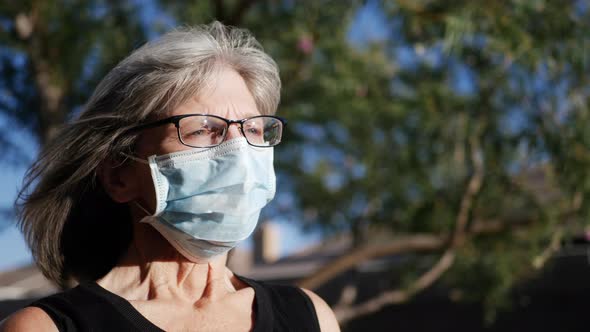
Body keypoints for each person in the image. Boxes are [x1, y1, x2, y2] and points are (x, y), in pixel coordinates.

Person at [0, 22, 340, 332]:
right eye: (204, 129)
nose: (240, 152)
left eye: (252, 129)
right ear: (119, 175)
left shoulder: (309, 316)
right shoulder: (47, 328)